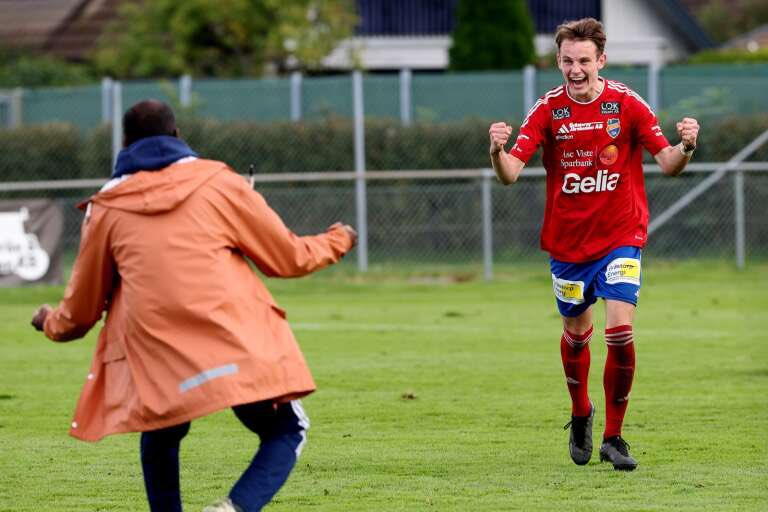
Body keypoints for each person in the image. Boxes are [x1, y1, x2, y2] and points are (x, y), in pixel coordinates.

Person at [31, 99, 357, 511]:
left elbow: (80, 313)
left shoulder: (106, 207)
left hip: (157, 351)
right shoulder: (220, 182)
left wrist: (48, 322)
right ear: (178, 136)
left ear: (126, 142)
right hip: (231, 334)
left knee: (161, 431)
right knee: (287, 430)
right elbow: (287, 259)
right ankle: (235, 508)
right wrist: (339, 239)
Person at [488, 18, 699, 471]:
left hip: (622, 235)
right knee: (576, 334)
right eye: (568, 61)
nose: (576, 69)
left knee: (620, 330)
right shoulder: (547, 110)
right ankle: (581, 411)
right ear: (558, 62)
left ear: (601, 60)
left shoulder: (626, 103)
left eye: (584, 60)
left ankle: (613, 437)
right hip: (568, 243)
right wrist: (495, 151)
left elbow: (667, 163)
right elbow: (509, 174)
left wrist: (686, 146)